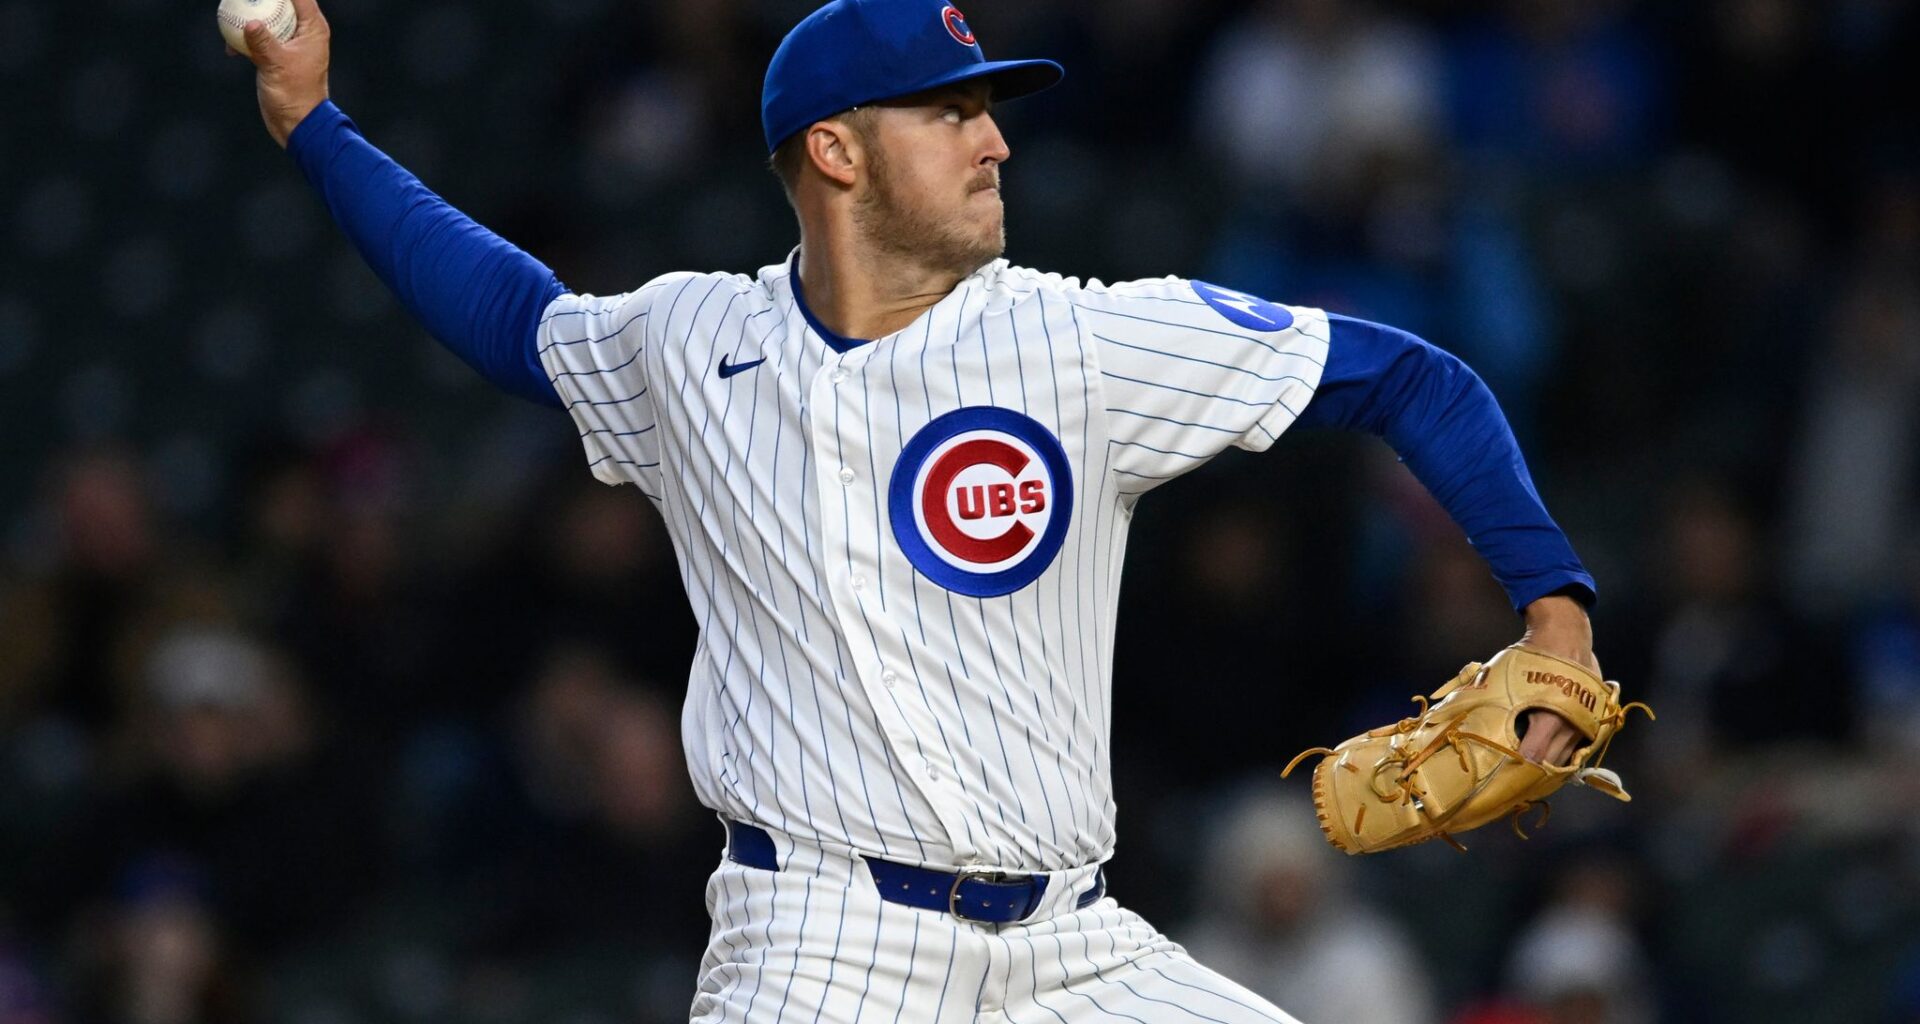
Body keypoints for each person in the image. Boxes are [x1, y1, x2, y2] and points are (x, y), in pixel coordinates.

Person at [231, 0, 1605, 1019]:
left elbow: (1413, 378)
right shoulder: (690, 345)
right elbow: (504, 317)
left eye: (989, 107)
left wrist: (1556, 609)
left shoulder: (1081, 347)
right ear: (835, 150)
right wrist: (314, 121)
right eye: (949, 111)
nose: (995, 139)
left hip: (1077, 948)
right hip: (821, 948)